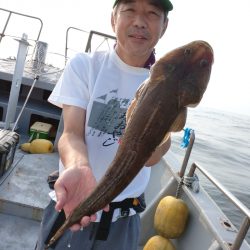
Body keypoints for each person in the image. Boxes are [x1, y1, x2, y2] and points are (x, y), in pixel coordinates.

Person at [36, 0, 173, 249]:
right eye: (129, 10)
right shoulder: (85, 66)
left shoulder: (166, 86)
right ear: (113, 19)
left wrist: (163, 139)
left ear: (164, 26)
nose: (140, 21)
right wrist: (79, 166)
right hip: (72, 203)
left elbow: (152, 157)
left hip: (122, 221)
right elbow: (71, 134)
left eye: (153, 13)